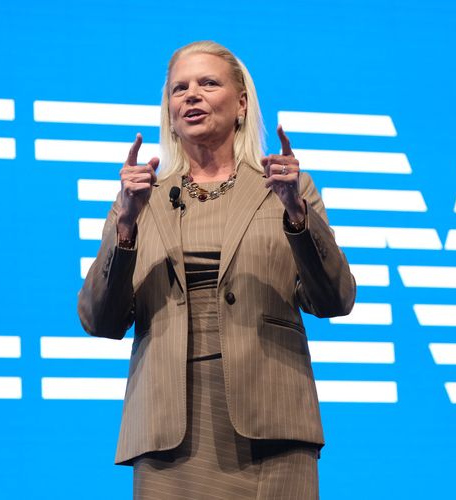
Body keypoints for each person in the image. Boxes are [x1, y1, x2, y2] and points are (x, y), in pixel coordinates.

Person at [77, 40, 356, 499]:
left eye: (208, 83)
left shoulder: (286, 188)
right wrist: (125, 225)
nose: (192, 95)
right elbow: (100, 320)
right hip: (170, 432)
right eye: (179, 88)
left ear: (241, 103)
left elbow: (335, 299)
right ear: (168, 111)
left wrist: (297, 216)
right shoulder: (139, 198)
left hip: (271, 427)